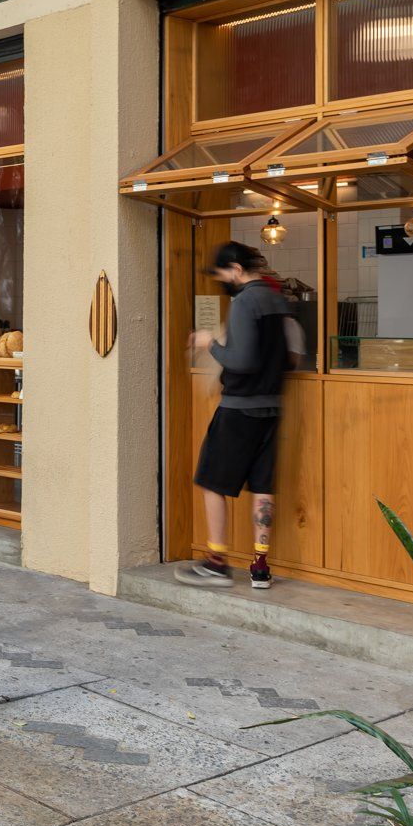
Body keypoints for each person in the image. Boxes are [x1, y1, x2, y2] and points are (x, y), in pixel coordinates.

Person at [179, 240, 290, 591]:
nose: (223, 281)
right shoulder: (276, 299)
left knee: (211, 479)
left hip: (239, 408)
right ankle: (260, 566)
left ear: (237, 270)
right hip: (271, 408)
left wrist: (208, 342)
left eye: (223, 274)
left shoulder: (246, 302)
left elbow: (241, 360)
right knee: (262, 485)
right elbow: (287, 356)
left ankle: (217, 562)